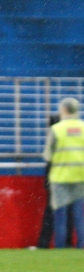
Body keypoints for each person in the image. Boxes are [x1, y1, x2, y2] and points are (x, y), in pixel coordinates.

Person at [43, 97, 84, 248]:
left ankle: (61, 246)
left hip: (61, 176)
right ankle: (82, 245)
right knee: (79, 215)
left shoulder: (57, 129)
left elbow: (47, 155)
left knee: (61, 214)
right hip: (80, 176)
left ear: (64, 110)